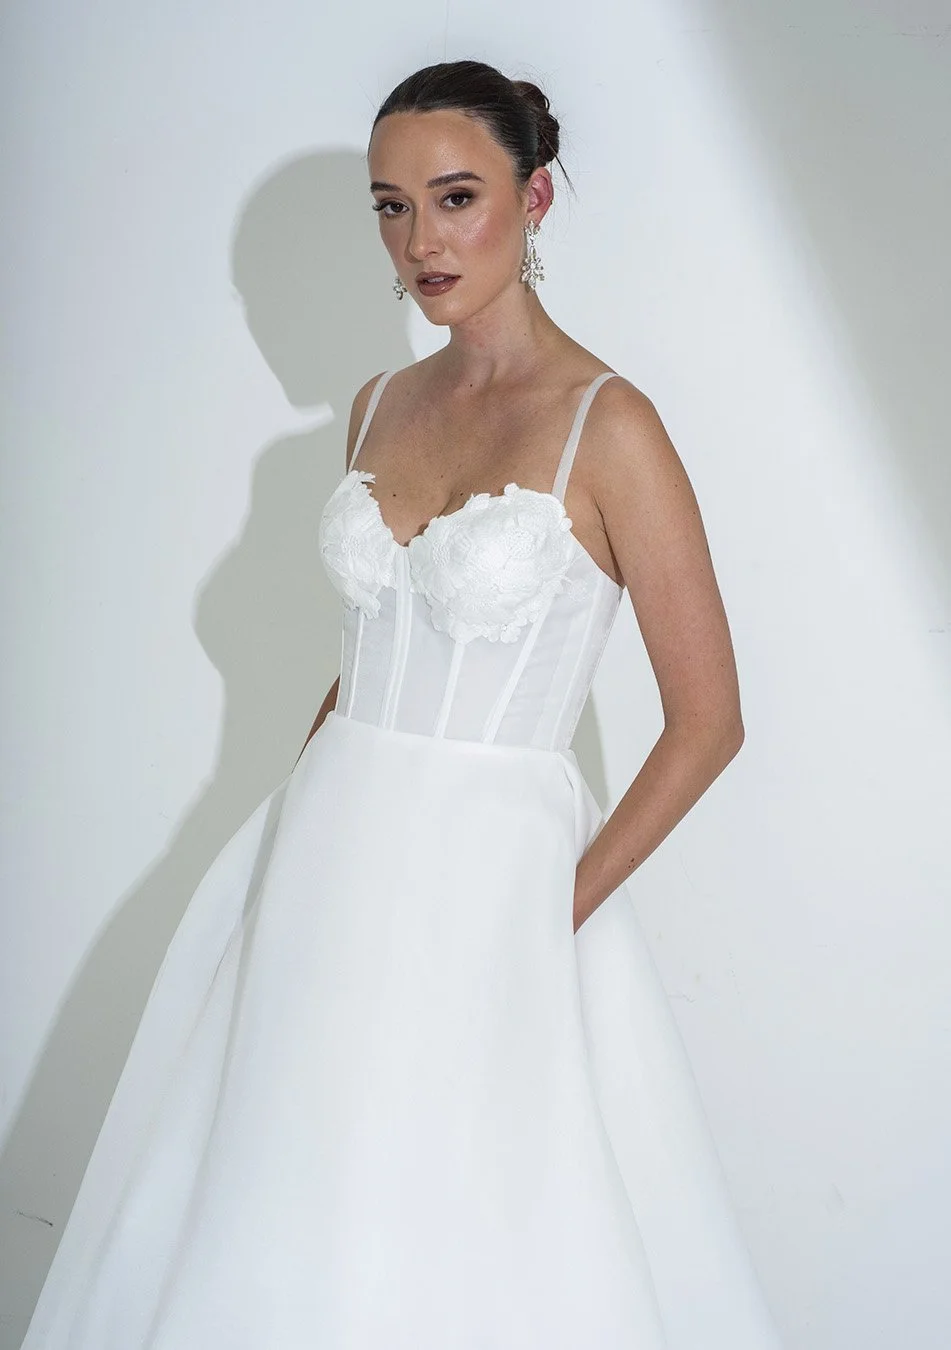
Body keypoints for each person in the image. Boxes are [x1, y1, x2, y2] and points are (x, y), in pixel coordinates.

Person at [21, 59, 784, 1350]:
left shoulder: (611, 426)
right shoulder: (381, 405)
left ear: (536, 196)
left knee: (460, 1200)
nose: (419, 241)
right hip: (325, 840)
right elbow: (378, 636)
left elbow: (708, 719)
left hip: (497, 874)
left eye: (454, 198)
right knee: (278, 1179)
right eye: (388, 206)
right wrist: (296, 823)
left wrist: (548, 910)